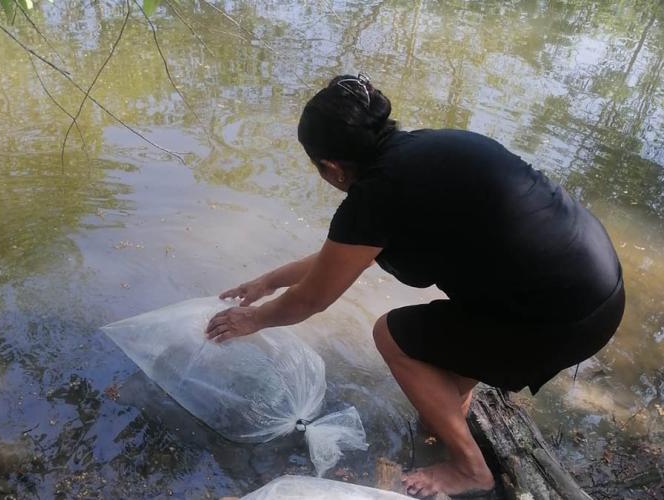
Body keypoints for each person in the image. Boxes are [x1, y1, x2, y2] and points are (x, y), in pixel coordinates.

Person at [205, 74, 624, 497]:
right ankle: (448, 434)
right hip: (595, 289)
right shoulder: (425, 150)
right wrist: (269, 282)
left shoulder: (375, 196)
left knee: (391, 334)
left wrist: (253, 320)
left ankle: (469, 469)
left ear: (331, 168)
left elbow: (313, 298)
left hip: (556, 318)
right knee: (433, 414)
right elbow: (344, 258)